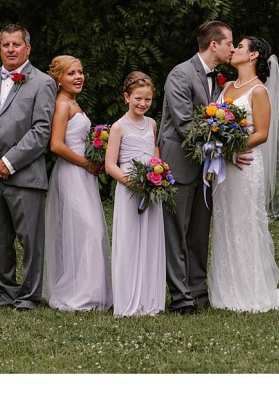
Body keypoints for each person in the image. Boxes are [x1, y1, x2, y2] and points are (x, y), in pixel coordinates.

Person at [0, 24, 56, 311]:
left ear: (27, 48)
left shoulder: (42, 83)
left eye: (16, 44)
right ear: (0, 47)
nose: (11, 50)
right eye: (6, 45)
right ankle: (5, 292)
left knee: (31, 240)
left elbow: (41, 131)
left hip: (25, 175)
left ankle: (29, 295)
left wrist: (8, 162)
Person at [208, 36, 279, 312]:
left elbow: (261, 133)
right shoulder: (228, 87)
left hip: (246, 165)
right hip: (226, 168)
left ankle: (251, 289)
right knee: (225, 221)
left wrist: (233, 149)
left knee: (246, 222)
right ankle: (227, 288)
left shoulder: (258, 91)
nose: (233, 50)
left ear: (254, 55)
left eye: (240, 47)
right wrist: (220, 150)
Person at [158, 21, 235, 313]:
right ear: (214, 44)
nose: (232, 47)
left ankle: (198, 291)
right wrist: (222, 143)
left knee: (199, 232)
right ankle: (180, 297)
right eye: (229, 42)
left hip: (206, 167)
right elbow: (183, 123)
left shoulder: (218, 79)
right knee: (176, 232)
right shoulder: (181, 74)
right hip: (180, 164)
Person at [42, 55, 112, 312]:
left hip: (83, 175)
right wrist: (86, 163)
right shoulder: (62, 105)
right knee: (88, 230)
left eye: (80, 72)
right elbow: (56, 145)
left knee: (86, 232)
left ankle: (90, 291)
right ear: (58, 78)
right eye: (71, 73)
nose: (78, 77)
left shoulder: (74, 103)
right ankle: (78, 293)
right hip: (71, 174)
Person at [105, 72, 166, 316]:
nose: (142, 104)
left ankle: (149, 298)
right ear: (126, 97)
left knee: (150, 240)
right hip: (129, 189)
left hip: (151, 188)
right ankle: (128, 299)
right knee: (130, 241)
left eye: (148, 99)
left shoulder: (151, 123)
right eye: (138, 98)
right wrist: (132, 183)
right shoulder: (119, 126)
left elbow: (155, 152)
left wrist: (158, 174)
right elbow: (111, 165)